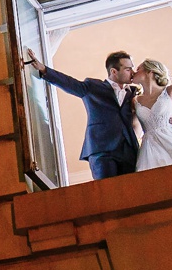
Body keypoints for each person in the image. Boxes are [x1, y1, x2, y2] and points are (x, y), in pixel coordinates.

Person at [24, 48, 141, 180]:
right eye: (128, 69)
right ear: (114, 71)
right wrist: (44, 69)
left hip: (129, 151)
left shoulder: (134, 92)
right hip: (101, 150)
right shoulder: (93, 86)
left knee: (131, 192)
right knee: (107, 192)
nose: (133, 72)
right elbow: (70, 83)